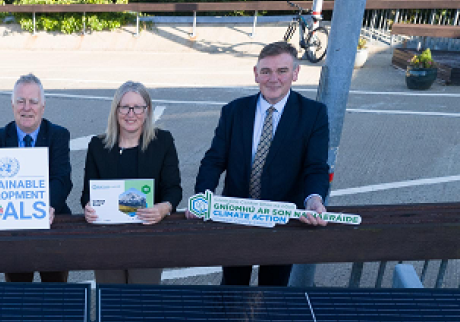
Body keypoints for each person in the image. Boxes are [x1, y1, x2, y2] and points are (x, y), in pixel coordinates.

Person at [189, 41, 330, 287]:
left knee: (273, 290)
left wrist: (314, 199)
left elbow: (315, 166)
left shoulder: (313, 114)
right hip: (235, 214)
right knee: (232, 287)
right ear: (256, 74)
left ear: (295, 73)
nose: (273, 78)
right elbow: (214, 160)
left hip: (283, 219)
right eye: (266, 71)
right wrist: (203, 195)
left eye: (282, 71)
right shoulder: (234, 111)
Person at [81, 81, 182, 285]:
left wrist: (164, 207)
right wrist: (88, 207)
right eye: (125, 107)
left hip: (147, 239)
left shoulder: (162, 142)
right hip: (107, 240)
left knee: (142, 307)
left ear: (147, 111)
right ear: (116, 110)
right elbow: (87, 194)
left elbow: (173, 189)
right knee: (110, 304)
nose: (131, 113)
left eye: (138, 107)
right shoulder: (97, 146)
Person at [0, 73, 72, 283]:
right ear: (12, 105)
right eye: (21, 101)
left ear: (43, 106)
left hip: (52, 221)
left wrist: (43, 207)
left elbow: (62, 179)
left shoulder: (58, 135)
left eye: (33, 102)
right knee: (19, 293)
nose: (27, 108)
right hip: (13, 228)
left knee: (56, 292)